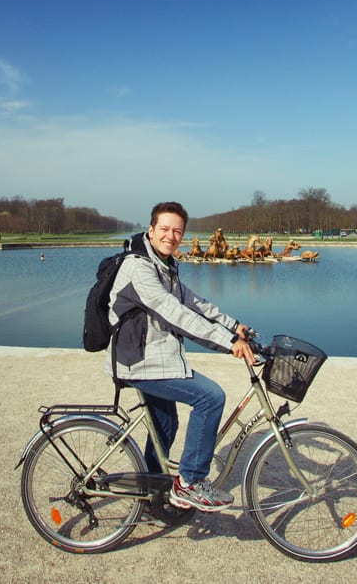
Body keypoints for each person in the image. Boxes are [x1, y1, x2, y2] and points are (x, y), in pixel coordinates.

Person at [106, 201, 255, 512]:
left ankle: (150, 495)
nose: (171, 236)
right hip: (140, 361)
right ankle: (190, 483)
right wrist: (227, 342)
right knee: (210, 397)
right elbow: (176, 314)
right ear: (150, 230)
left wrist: (233, 325)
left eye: (177, 231)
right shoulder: (139, 267)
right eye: (164, 229)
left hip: (154, 356)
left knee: (166, 425)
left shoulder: (165, 266)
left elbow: (195, 303)